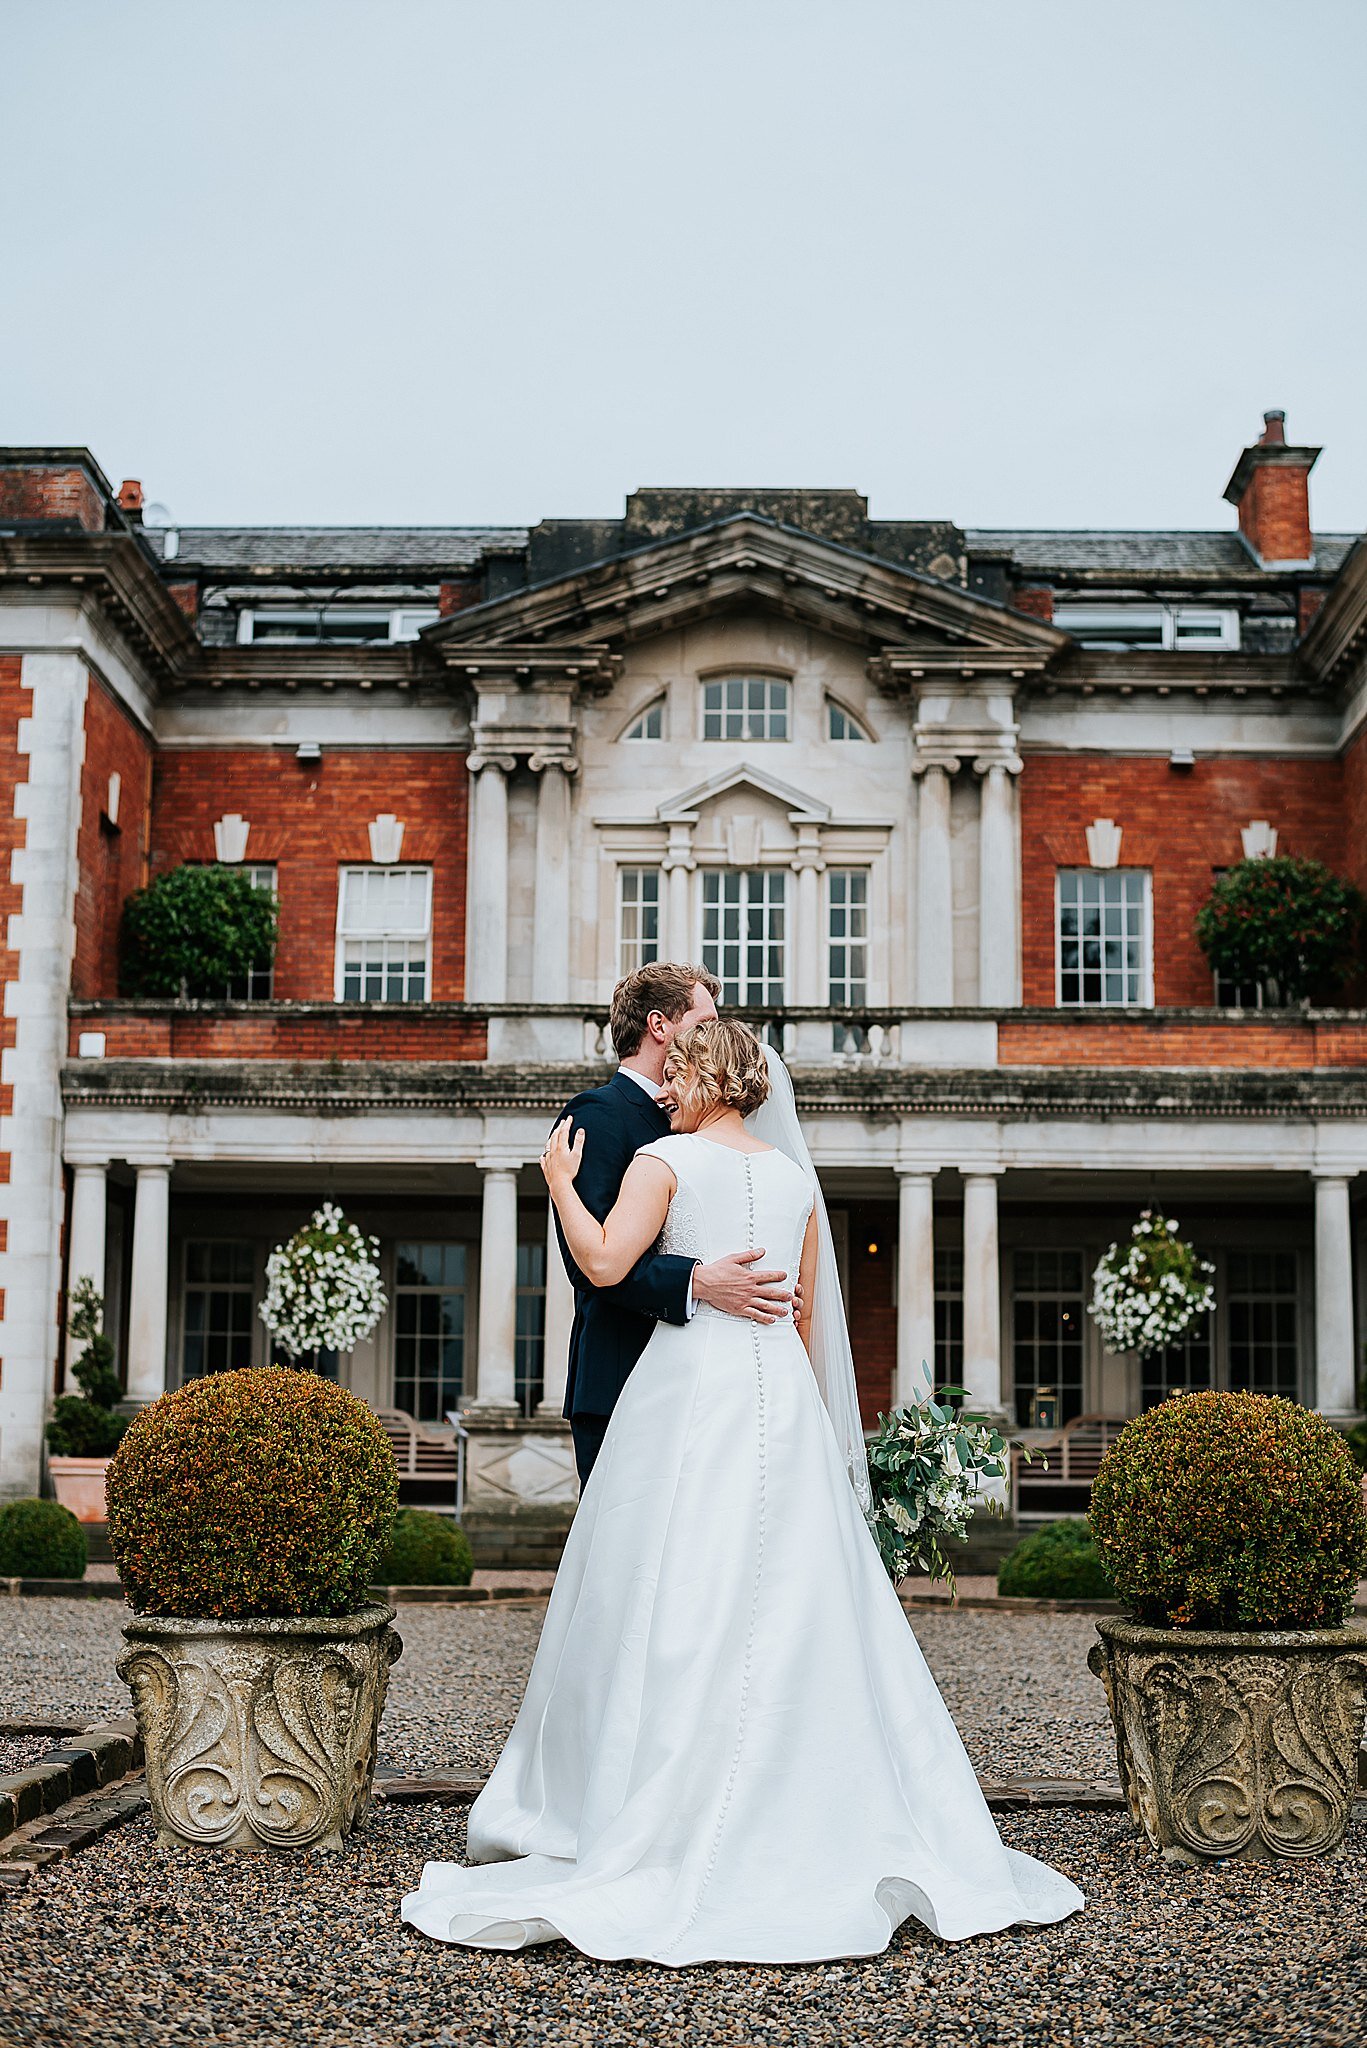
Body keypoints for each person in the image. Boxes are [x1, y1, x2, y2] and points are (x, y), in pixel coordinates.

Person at [402, 1019, 1084, 1965]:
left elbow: (602, 1265)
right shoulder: (797, 1180)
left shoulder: (665, 1161)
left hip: (688, 1394)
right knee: (794, 1596)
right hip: (782, 1405)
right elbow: (803, 1324)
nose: (666, 1090)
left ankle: (653, 1794)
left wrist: (558, 1185)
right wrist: (806, 1425)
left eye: (676, 1075)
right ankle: (808, 1798)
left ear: (701, 1078)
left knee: (672, 1585)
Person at [550, 962, 799, 1489]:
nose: (716, 1030)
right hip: (623, 1373)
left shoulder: (703, 1117)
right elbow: (588, 1262)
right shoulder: (598, 1113)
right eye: (705, 1018)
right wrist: (698, 1281)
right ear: (660, 1025)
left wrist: (770, 1286)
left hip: (711, 1385)